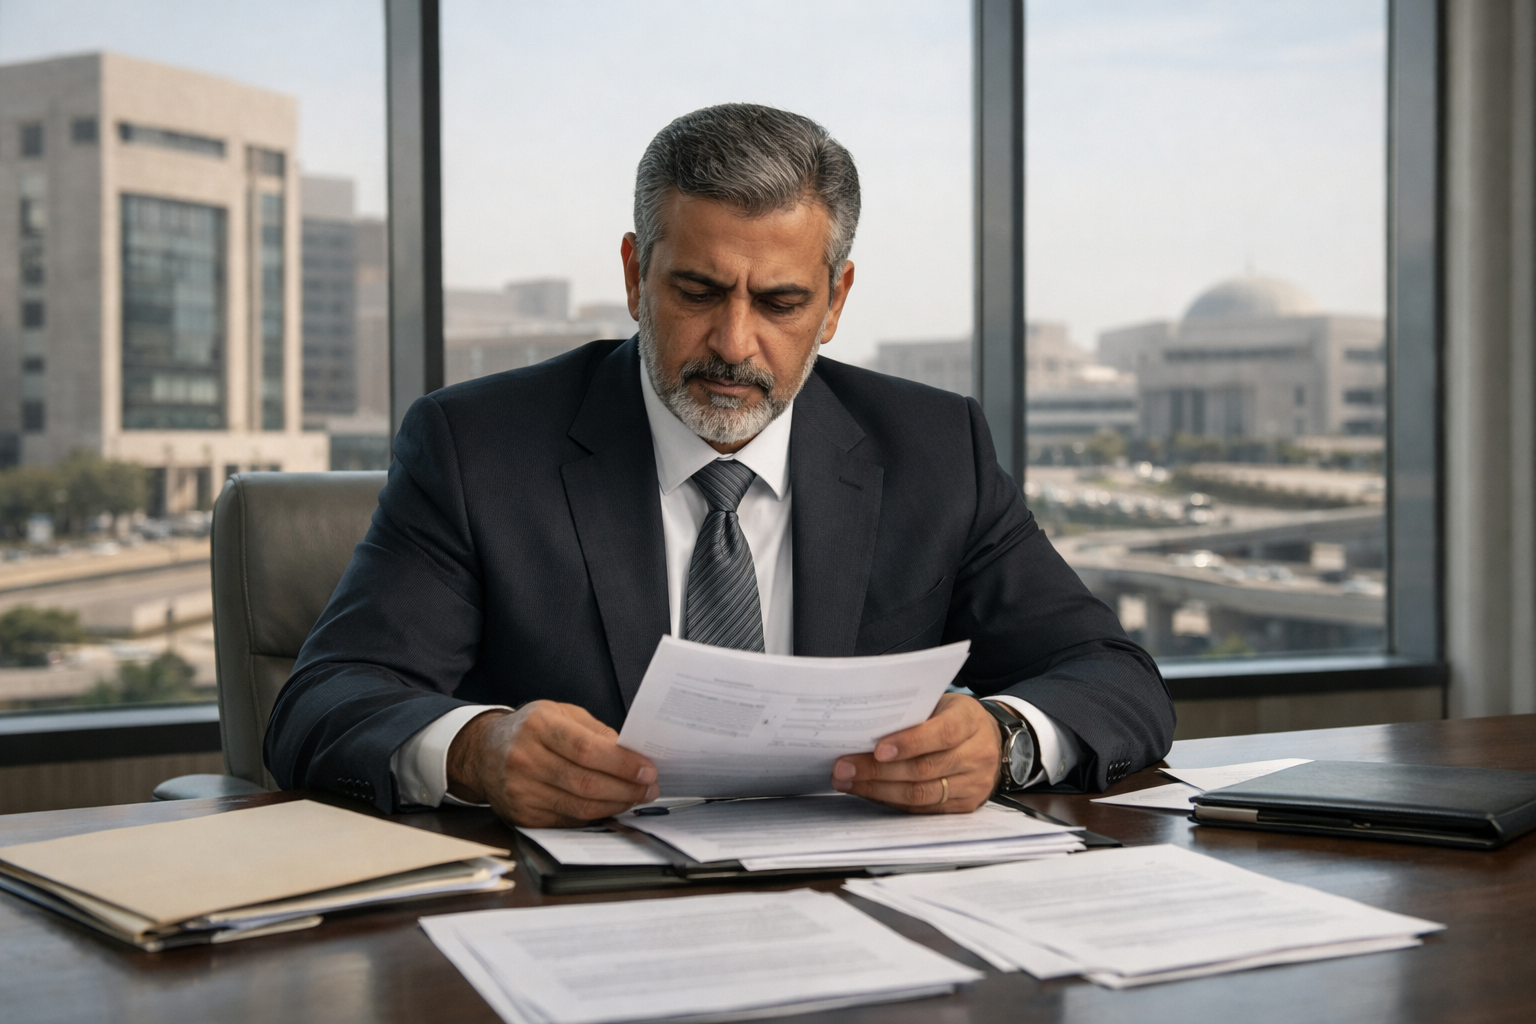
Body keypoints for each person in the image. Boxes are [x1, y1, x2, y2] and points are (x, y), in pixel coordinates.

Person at [265, 103, 1174, 827]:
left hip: (857, 908)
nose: (735, 344)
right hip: (580, 917)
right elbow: (324, 700)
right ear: (635, 275)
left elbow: (1113, 675)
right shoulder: (477, 447)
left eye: (780, 303)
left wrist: (1004, 738)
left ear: (835, 301)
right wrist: (477, 751)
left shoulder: (935, 449)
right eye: (698, 292)